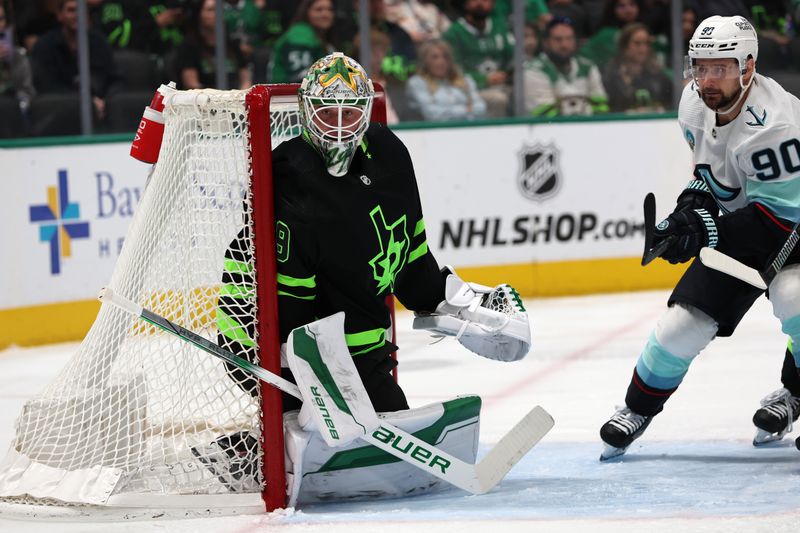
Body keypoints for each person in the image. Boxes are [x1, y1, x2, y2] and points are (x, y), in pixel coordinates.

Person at [205, 53, 531, 489]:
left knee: (389, 456)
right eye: (326, 111)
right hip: (266, 341)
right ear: (305, 110)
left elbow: (409, 257)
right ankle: (253, 451)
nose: (338, 125)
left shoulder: (391, 154)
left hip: (355, 346)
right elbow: (290, 313)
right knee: (325, 447)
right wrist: (313, 385)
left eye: (349, 111)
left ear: (366, 110)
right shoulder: (290, 181)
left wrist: (455, 301)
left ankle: (288, 439)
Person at [599, 15, 800, 461]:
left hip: (794, 231)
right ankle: (637, 409)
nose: (706, 80)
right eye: (700, 66)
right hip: (747, 224)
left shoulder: (776, 125)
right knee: (680, 326)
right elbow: (713, 178)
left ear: (748, 66)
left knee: (796, 301)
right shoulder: (693, 102)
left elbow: (778, 221)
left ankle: (795, 393)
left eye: (721, 68)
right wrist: (687, 215)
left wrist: (705, 231)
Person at [29, 0, 118, 120]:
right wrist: (86, 102)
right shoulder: (44, 46)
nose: (77, 15)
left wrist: (107, 101)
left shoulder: (100, 42)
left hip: (101, 112)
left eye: (82, 11)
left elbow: (116, 79)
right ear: (59, 15)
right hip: (59, 116)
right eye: (71, 10)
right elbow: (46, 87)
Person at [523, 17, 607, 117]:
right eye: (558, 40)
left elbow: (601, 106)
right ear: (546, 43)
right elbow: (544, 114)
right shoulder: (533, 70)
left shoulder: (588, 67)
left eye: (569, 39)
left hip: (588, 129)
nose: (564, 45)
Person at [443, 0, 514, 118]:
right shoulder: (453, 33)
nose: (480, 3)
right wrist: (483, 79)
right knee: (498, 99)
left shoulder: (500, 26)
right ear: (465, 3)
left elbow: (513, 57)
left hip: (504, 84)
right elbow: (454, 71)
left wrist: (507, 74)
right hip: (470, 91)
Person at [173, 0, 251, 90]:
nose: (217, 14)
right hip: (204, 100)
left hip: (234, 99)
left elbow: (245, 79)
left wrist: (242, 96)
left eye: (219, 10)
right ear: (199, 14)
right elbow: (192, 85)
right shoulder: (189, 46)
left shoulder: (232, 44)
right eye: (210, 10)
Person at [406, 38, 487, 121]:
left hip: (467, 128)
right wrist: (466, 110)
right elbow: (432, 114)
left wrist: (451, 112)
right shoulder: (417, 83)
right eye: (435, 57)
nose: (441, 61)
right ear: (425, 61)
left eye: (445, 57)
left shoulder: (465, 79)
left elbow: (481, 107)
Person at [601, 22, 671, 113]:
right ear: (624, 46)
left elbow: (671, 103)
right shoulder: (610, 74)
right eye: (637, 44)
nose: (643, 49)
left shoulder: (657, 74)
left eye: (647, 43)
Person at [266, 0, 335, 83]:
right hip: (288, 93)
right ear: (307, 12)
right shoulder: (300, 35)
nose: (326, 14)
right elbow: (299, 78)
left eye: (330, 9)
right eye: (319, 10)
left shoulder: (319, 36)